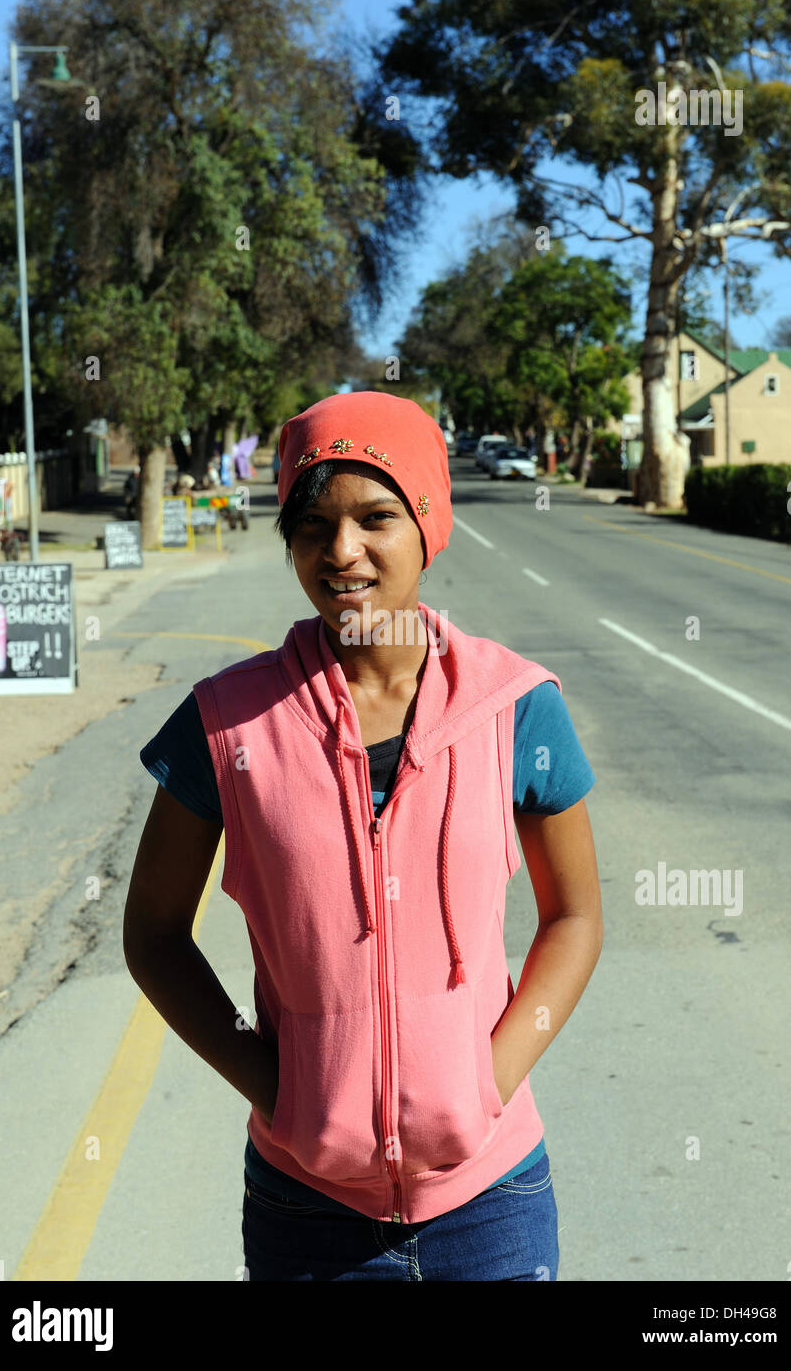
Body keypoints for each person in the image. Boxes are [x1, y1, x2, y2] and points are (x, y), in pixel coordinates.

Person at [125, 390, 602, 1281]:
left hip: (490, 1203)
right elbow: (152, 933)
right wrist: (274, 1086)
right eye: (311, 524)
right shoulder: (226, 721)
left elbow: (574, 917)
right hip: (305, 1209)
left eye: (376, 517)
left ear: (428, 520)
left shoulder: (516, 705)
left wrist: (488, 1081)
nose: (341, 552)